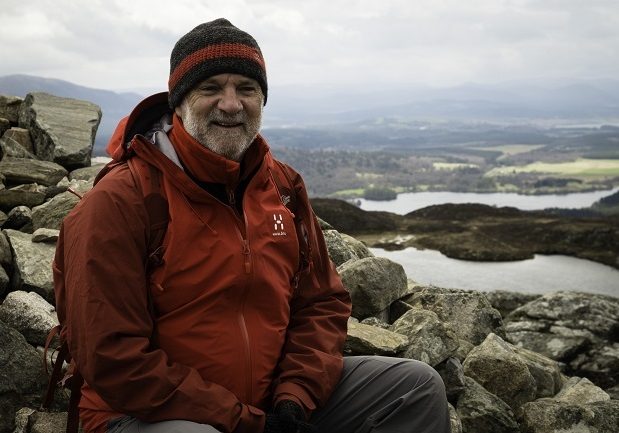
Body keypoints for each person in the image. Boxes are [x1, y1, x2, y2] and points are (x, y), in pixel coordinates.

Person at [54, 18, 451, 433]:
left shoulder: (281, 186)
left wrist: (294, 398)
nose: (231, 103)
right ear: (179, 101)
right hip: (148, 414)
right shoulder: (122, 200)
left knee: (416, 388)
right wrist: (246, 423)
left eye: (246, 88)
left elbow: (321, 303)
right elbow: (113, 358)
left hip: (268, 402)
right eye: (211, 88)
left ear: (262, 99)